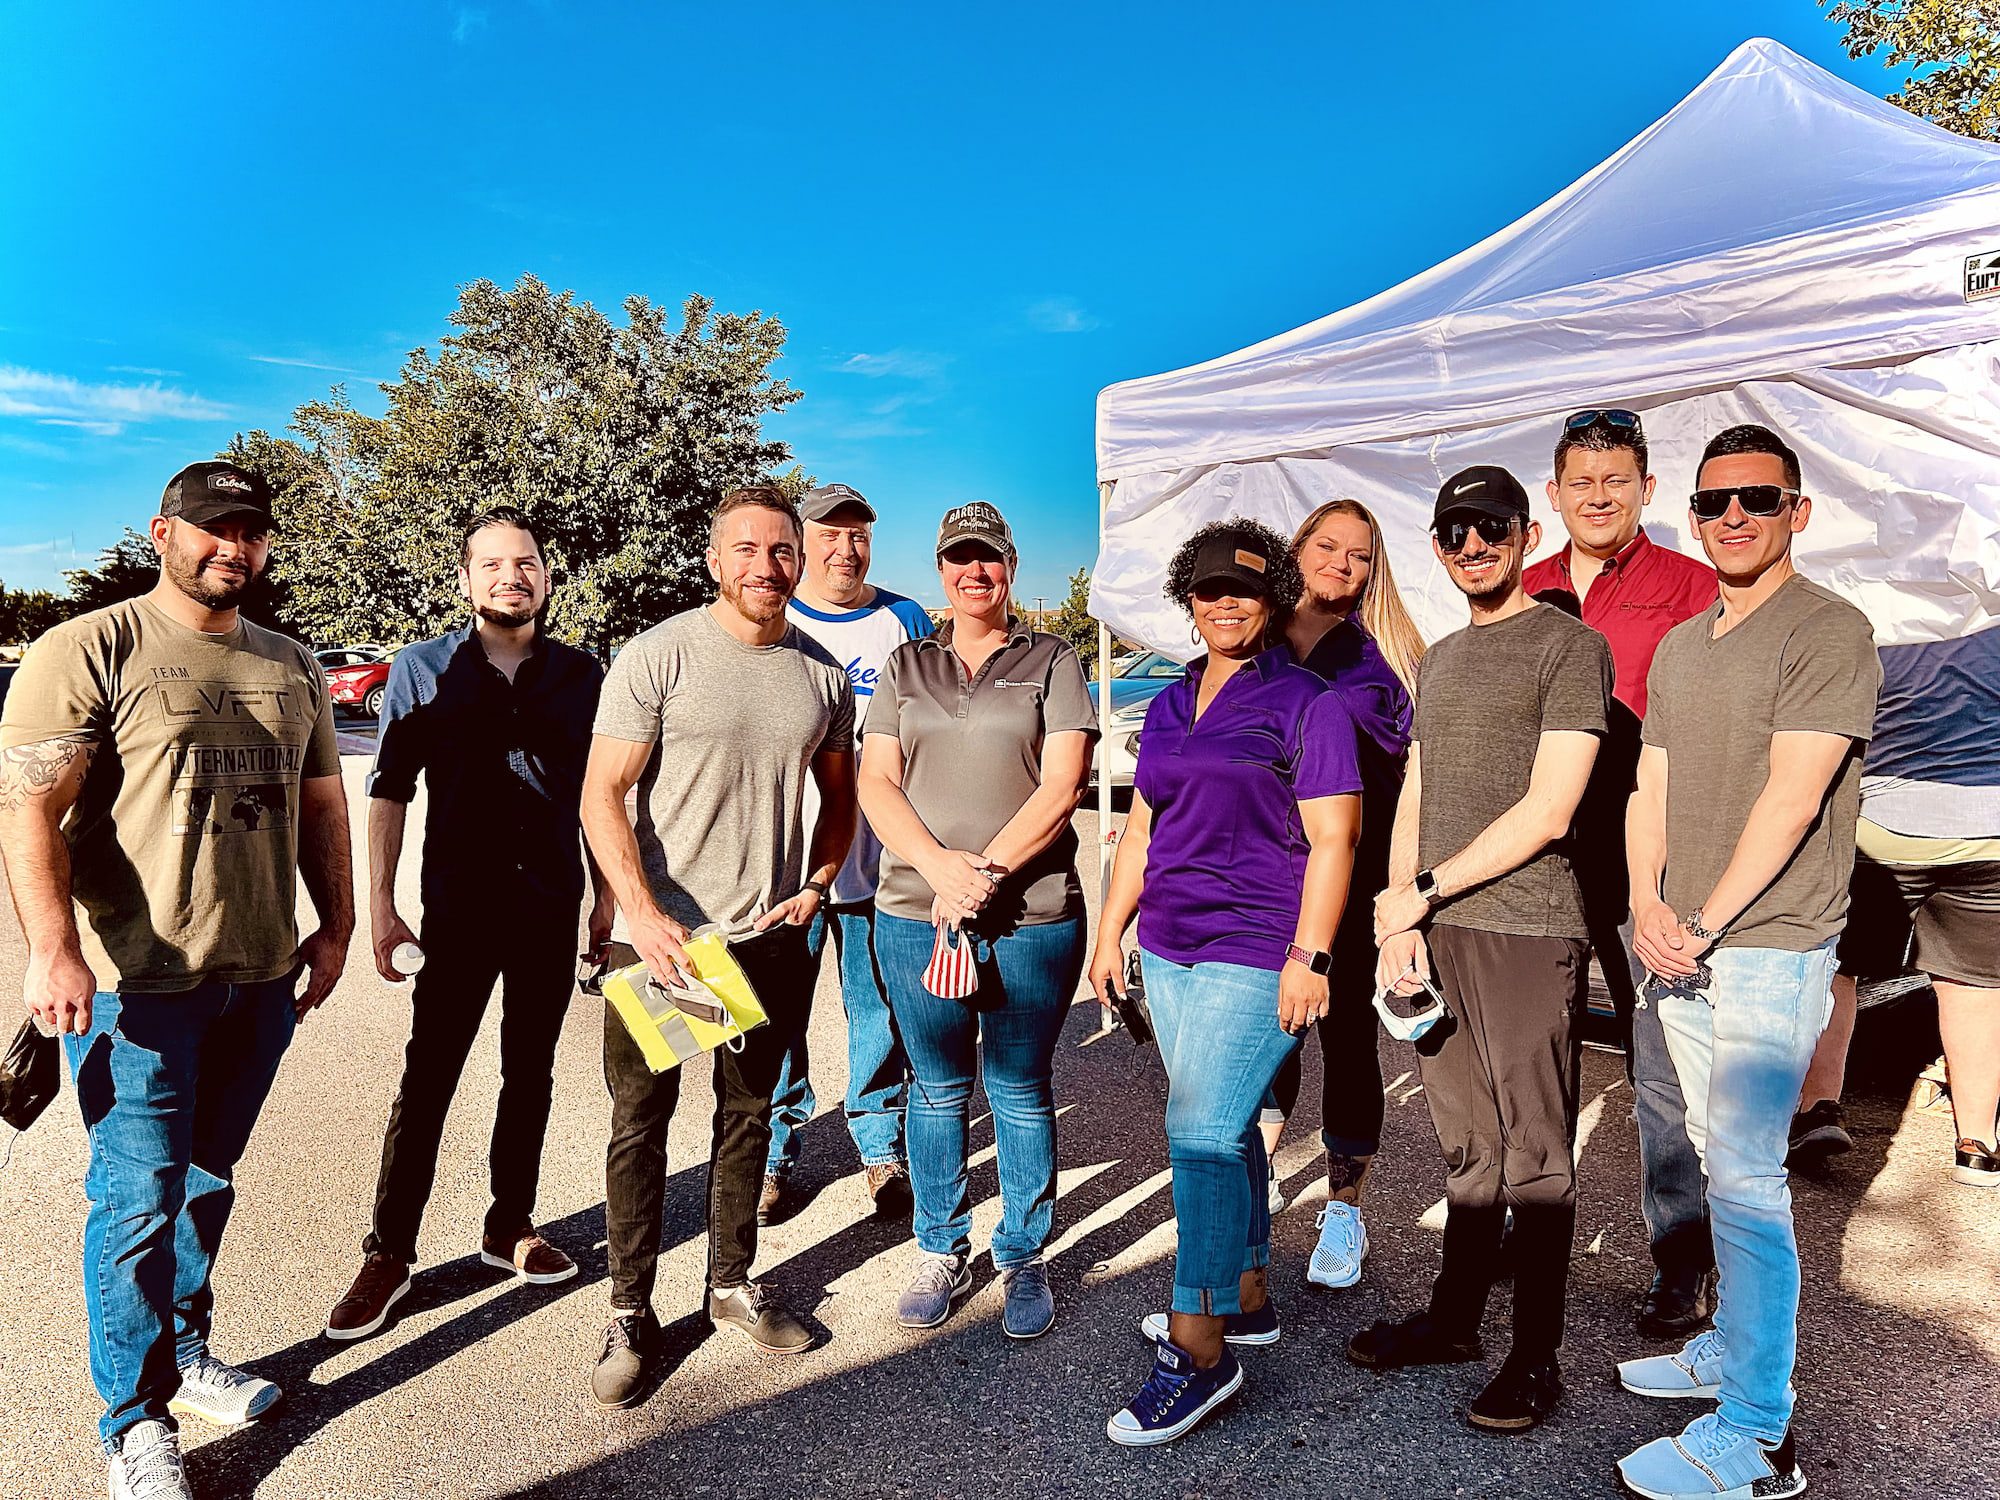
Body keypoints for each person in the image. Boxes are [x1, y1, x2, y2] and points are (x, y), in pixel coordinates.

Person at [0, 461, 353, 1500]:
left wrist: (334, 927)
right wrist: (51, 948)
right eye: (210, 529)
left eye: (248, 531)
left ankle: (184, 1352)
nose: (230, 548)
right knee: (135, 1201)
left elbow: (325, 806)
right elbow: (29, 809)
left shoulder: (290, 664)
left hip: (258, 975)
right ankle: (132, 1422)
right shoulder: (90, 648)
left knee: (206, 1179)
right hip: (133, 984)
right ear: (163, 532)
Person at [1615, 425, 1880, 1500]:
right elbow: (1652, 786)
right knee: (1721, 1170)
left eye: (1756, 501)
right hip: (1682, 940)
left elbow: (1792, 795)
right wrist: (1641, 902)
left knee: (1749, 1177)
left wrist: (1702, 919)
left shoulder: (1828, 628)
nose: (1733, 519)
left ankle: (1758, 1436)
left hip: (1766, 947)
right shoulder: (1683, 645)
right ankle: (1731, 1345)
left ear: (1795, 512)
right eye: (1714, 503)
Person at [579, 486, 857, 1409]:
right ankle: (630, 1312)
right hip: (666, 946)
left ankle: (731, 1285)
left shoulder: (821, 675)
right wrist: (642, 914)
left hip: (765, 941)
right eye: (746, 550)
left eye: (781, 551)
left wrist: (817, 884)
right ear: (714, 560)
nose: (765, 567)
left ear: (800, 559)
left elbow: (841, 791)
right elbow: (600, 795)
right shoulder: (658, 657)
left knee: (748, 1119)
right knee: (641, 1125)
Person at [1091, 519, 1363, 1447]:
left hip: (1260, 948)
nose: (1225, 603)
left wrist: (1311, 956)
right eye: (1209, 588)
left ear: (1273, 596)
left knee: (1200, 1132)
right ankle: (1246, 1291)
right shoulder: (1167, 705)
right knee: (1229, 1124)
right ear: (1189, 597)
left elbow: (1336, 839)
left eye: (1245, 589)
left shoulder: (1308, 702)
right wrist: (1108, 929)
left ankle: (1200, 1348)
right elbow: (1141, 829)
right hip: (1169, 946)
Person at [1352, 464, 1611, 1435]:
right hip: (1438, 928)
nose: (1472, 546)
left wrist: (1422, 890)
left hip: (1526, 923)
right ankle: (1455, 1321)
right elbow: (1416, 793)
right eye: (1453, 532)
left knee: (1533, 1151)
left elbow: (1549, 811)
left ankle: (1533, 1360)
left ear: (1523, 531)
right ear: (1435, 545)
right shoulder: (1445, 660)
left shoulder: (1567, 647)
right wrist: (1398, 913)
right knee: (1463, 1140)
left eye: (1489, 528)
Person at [323, 506, 609, 1342]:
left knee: (532, 1072)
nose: (510, 577)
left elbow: (603, 798)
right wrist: (381, 908)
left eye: (525, 563)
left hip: (550, 906)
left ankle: (507, 1224)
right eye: (491, 565)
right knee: (429, 1077)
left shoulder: (582, 675)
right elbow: (388, 791)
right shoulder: (420, 669)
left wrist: (608, 902)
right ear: (465, 580)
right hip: (457, 908)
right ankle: (389, 1254)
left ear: (547, 576)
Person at [857, 501, 1095, 1342]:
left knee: (1020, 1089)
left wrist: (984, 873)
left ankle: (1023, 1253)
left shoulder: (1052, 659)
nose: (974, 573)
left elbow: (1063, 786)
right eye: (959, 559)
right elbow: (876, 783)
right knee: (937, 1087)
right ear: (941, 569)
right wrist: (940, 870)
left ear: (1011, 566)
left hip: (1029, 914)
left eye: (988, 558)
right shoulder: (904, 665)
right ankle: (940, 1246)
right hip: (916, 914)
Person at [1521, 409, 1722, 1340]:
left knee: (1659, 1064)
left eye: (1616, 482)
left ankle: (1682, 1260)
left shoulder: (1692, 586)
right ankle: (1530, 1238)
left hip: (1651, 849)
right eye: (1580, 483)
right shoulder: (1524, 588)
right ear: (1554, 496)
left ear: (1646, 490)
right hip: (1541, 850)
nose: (1597, 498)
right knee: (1534, 1053)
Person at [761, 483, 934, 1226]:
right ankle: (771, 1152)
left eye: (857, 533)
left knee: (877, 1011)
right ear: (802, 543)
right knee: (776, 1015)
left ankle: (878, 1146)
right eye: (828, 535)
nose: (845, 548)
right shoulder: (772, 615)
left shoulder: (907, 620)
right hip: (783, 864)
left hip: (880, 862)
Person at [1262, 499, 1422, 1292]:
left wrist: (1399, 896)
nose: (1342, 564)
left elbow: (1401, 791)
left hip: (1351, 880)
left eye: (1359, 555)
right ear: (1297, 550)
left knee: (1349, 1039)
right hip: (1261, 882)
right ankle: (1253, 1171)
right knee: (1266, 1031)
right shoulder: (1251, 640)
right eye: (1328, 546)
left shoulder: (1380, 662)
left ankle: (1344, 1205)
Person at [1829, 625, 2000, 1188]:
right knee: (1975, 985)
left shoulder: (1878, 611)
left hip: (1878, 825)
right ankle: (1977, 1140)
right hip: (1988, 825)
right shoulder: (1987, 602)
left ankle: (1815, 1107)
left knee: (1838, 968)